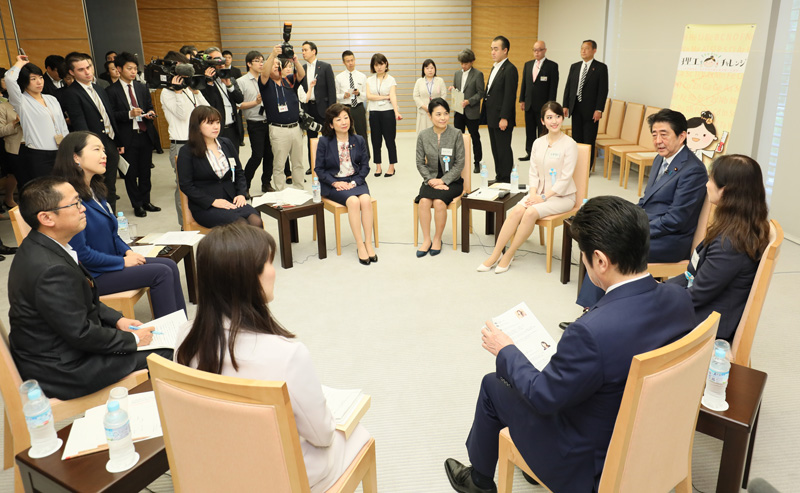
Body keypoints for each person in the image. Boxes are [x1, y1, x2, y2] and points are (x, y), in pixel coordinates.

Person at [444, 195, 696, 493]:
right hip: (653, 436)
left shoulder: (590, 332)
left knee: (493, 385)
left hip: (590, 465)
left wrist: (506, 350)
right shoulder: (679, 298)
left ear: (601, 261)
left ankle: (479, 481)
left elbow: (542, 396)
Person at [175, 222, 371, 492]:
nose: (274, 272)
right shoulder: (287, 355)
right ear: (246, 277)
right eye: (268, 263)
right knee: (357, 431)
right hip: (276, 476)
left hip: (215, 463)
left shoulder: (185, 337)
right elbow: (322, 435)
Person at [8, 176, 173, 401]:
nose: (82, 208)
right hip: (63, 369)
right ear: (46, 217)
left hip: (62, 350)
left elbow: (84, 301)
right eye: (74, 204)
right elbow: (81, 333)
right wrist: (133, 341)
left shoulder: (46, 245)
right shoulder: (49, 270)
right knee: (165, 354)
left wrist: (118, 320)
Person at [571, 108, 708, 318]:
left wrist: (635, 228)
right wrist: (624, 218)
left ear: (682, 136)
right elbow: (646, 200)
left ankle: (594, 315)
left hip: (671, 239)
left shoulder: (693, 170)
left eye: (664, 134)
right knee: (601, 236)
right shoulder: (660, 159)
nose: (658, 140)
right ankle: (594, 311)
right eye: (654, 134)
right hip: (649, 226)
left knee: (611, 248)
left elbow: (676, 220)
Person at [51, 131, 186, 317]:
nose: (104, 155)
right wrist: (122, 261)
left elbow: (113, 234)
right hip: (93, 275)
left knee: (168, 265)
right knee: (161, 272)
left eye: (104, 150)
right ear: (75, 157)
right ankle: (169, 337)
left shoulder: (95, 189)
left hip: (111, 263)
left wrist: (128, 251)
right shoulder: (69, 198)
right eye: (96, 149)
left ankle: (181, 329)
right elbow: (81, 254)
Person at [667, 154, 770, 342]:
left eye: (711, 179)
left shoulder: (731, 244)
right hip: (706, 308)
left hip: (706, 324)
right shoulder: (738, 225)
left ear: (726, 191)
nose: (707, 184)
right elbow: (694, 276)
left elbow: (696, 295)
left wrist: (656, 298)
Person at [478, 101, 576, 273]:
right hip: (537, 193)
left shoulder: (570, 144)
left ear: (563, 118)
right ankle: (495, 254)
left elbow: (566, 179)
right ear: (543, 121)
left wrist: (542, 198)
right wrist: (532, 194)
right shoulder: (538, 143)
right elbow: (533, 172)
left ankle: (509, 254)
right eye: (549, 117)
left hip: (562, 197)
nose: (554, 121)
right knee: (516, 211)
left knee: (530, 212)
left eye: (558, 116)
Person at [177, 105, 262, 228]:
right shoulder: (187, 151)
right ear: (197, 126)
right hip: (206, 206)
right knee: (240, 224)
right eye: (210, 123)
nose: (216, 126)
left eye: (217, 122)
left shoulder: (226, 143)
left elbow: (239, 172)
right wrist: (213, 201)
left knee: (256, 220)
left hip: (231, 199)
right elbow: (186, 185)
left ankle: (257, 248)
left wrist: (241, 193)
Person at [314, 103, 376, 265]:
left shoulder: (359, 140)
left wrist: (355, 182)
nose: (344, 122)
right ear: (330, 124)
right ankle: (359, 245)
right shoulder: (324, 142)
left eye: (346, 118)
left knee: (365, 201)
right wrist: (334, 183)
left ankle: (368, 242)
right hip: (334, 184)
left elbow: (365, 166)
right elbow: (319, 169)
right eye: (338, 119)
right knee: (354, 202)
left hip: (356, 180)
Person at [61, 52, 121, 213]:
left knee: (111, 185)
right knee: (96, 185)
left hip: (110, 141)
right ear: (72, 72)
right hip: (92, 145)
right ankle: (103, 217)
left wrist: (118, 141)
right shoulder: (72, 93)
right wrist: (91, 147)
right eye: (81, 70)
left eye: (89, 67)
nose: (87, 72)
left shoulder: (99, 88)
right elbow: (80, 124)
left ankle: (112, 217)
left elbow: (109, 116)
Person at [107, 52, 161, 217]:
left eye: (135, 69)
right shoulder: (111, 91)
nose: (133, 72)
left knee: (145, 171)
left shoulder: (141, 86)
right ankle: (137, 204)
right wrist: (129, 114)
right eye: (129, 68)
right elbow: (112, 115)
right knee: (130, 173)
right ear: (118, 69)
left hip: (144, 133)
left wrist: (150, 112)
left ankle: (146, 201)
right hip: (127, 136)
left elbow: (149, 105)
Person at [160, 50, 210, 227]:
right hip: (180, 145)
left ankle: (200, 218)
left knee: (202, 184)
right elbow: (182, 115)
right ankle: (185, 224)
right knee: (183, 188)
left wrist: (195, 91)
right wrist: (179, 92)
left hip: (199, 142)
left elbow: (207, 110)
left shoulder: (190, 88)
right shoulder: (167, 92)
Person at [5, 55, 70, 189]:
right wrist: (19, 63)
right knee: (47, 191)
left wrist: (68, 148)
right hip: (39, 155)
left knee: (64, 188)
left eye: (40, 77)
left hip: (60, 151)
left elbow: (62, 125)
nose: (39, 82)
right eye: (33, 79)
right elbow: (9, 79)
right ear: (24, 81)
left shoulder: (51, 98)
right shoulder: (21, 101)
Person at [414, 98, 465, 258]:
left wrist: (443, 181)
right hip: (430, 179)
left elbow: (459, 163)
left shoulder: (456, 134)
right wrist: (431, 181)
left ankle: (437, 239)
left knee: (438, 202)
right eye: (438, 114)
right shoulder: (423, 135)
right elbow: (420, 162)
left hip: (452, 181)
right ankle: (427, 239)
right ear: (430, 116)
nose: (443, 118)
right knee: (423, 202)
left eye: (445, 114)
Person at [260, 43, 306, 191]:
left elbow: (302, 74)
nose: (275, 66)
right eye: (273, 64)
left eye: (277, 64)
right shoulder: (265, 84)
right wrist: (273, 55)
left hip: (295, 128)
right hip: (278, 130)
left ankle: (299, 190)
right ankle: (280, 192)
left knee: (298, 163)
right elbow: (265, 73)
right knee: (279, 164)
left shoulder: (288, 80)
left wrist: (295, 61)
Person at [562, 40, 608, 168]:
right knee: (576, 138)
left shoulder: (600, 68)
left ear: (594, 51)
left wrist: (599, 109)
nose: (583, 51)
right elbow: (568, 87)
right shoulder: (575, 66)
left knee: (588, 139)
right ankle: (577, 165)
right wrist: (565, 105)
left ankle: (587, 167)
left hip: (591, 109)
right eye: (582, 48)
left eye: (587, 48)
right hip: (576, 107)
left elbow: (603, 90)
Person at [482, 36, 518, 183]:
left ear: (505, 50)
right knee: (495, 149)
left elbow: (509, 96)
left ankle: (506, 178)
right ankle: (499, 176)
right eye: (491, 49)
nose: (493, 52)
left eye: (496, 49)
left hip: (501, 117)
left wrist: (504, 117)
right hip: (492, 116)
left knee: (503, 149)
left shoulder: (510, 69)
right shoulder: (495, 66)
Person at [238, 50, 274, 193]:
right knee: (257, 155)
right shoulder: (242, 82)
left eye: (262, 60)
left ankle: (266, 183)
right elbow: (239, 105)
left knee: (270, 155)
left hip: (269, 122)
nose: (261, 63)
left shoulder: (265, 79)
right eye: (257, 61)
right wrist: (255, 102)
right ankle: (245, 185)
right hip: (254, 123)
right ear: (248, 64)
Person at [519, 41, 559, 161]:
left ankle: (542, 153)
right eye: (535, 50)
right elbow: (524, 84)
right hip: (529, 104)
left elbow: (553, 87)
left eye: (539, 50)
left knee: (543, 132)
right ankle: (530, 152)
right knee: (529, 130)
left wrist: (550, 106)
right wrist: (522, 99)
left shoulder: (552, 66)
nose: (537, 52)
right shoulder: (528, 65)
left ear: (545, 50)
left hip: (543, 106)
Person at [199, 47, 244, 153]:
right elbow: (209, 104)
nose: (220, 62)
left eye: (221, 59)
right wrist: (209, 83)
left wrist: (229, 85)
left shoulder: (230, 78)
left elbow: (240, 99)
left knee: (234, 160)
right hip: (216, 130)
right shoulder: (203, 83)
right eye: (216, 60)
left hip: (233, 128)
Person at [301, 41, 336, 174]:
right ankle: (313, 165)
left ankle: (331, 164)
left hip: (324, 108)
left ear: (314, 51)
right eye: (302, 50)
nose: (303, 53)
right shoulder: (302, 68)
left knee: (328, 137)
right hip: (309, 108)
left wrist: (332, 110)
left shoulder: (325, 67)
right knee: (311, 138)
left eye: (305, 50)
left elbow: (331, 90)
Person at [365, 53, 402, 177]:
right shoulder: (369, 79)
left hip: (388, 112)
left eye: (381, 64)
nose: (379, 67)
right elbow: (369, 96)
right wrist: (385, 97)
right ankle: (378, 166)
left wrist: (396, 112)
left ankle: (392, 166)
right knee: (376, 140)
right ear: (373, 67)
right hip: (374, 112)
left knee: (389, 140)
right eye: (376, 65)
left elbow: (393, 96)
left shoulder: (391, 79)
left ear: (386, 64)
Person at [450, 49, 484, 173]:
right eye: (461, 63)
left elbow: (481, 93)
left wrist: (469, 101)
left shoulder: (478, 74)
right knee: (458, 138)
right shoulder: (457, 74)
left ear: (472, 62)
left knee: (475, 137)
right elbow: (457, 89)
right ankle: (458, 162)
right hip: (459, 111)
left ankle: (477, 162)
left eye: (465, 63)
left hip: (471, 111)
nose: (463, 66)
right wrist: (453, 89)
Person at [335, 51, 369, 158]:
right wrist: (342, 96)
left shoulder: (362, 76)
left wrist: (359, 93)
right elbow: (335, 95)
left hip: (358, 107)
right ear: (343, 62)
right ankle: (348, 157)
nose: (350, 63)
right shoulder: (339, 77)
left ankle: (365, 156)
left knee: (362, 133)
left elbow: (366, 95)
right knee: (346, 134)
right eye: (348, 61)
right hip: (345, 108)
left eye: (352, 60)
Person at [0, 69, 22, 213]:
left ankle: (9, 199)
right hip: (8, 144)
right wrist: (15, 123)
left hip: (26, 145)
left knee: (14, 175)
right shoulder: (3, 105)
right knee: (10, 173)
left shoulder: (19, 100)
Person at [412, 59, 447, 133]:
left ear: (435, 69)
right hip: (423, 111)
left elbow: (443, 95)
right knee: (424, 133)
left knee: (437, 133)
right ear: (423, 70)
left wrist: (436, 106)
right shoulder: (419, 81)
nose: (430, 70)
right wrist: (424, 107)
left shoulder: (440, 81)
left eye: (432, 68)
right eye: (427, 68)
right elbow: (415, 96)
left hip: (437, 111)